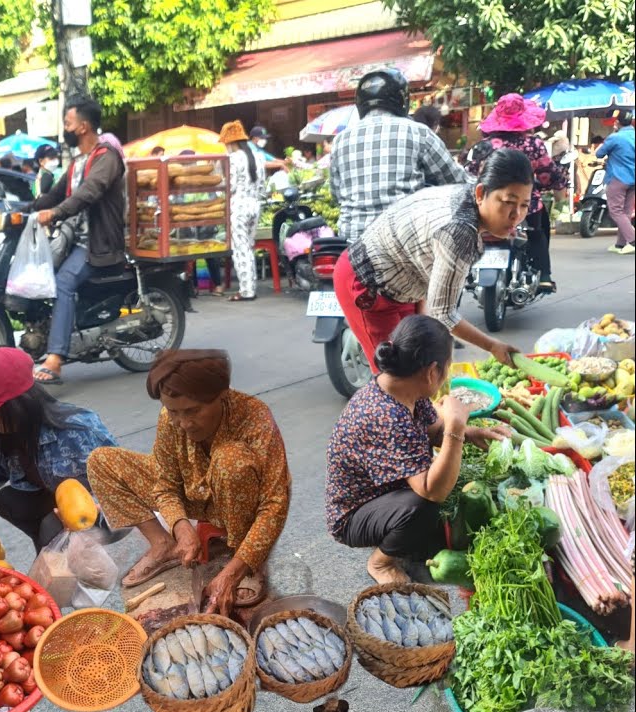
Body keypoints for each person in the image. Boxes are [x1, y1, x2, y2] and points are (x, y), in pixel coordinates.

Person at [88, 350, 292, 615]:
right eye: (173, 412)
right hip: (193, 489)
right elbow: (166, 484)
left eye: (193, 411)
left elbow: (274, 503)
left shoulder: (255, 418)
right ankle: (163, 545)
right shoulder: (170, 419)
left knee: (230, 462)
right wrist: (180, 526)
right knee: (101, 461)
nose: (183, 423)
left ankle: (246, 559)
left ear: (222, 396)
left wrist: (233, 572)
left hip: (238, 494)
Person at [326, 315, 509, 583]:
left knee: (431, 497)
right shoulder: (387, 415)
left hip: (385, 491)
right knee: (421, 506)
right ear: (432, 372)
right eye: (447, 369)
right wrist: (457, 425)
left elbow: (434, 430)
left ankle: (401, 534)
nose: (446, 376)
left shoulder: (404, 387)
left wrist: (470, 433)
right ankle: (380, 562)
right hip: (352, 515)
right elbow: (432, 491)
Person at [333, 148, 530, 373]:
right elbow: (443, 314)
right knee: (396, 377)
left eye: (524, 205)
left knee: (419, 366)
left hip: (405, 281)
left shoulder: (466, 198)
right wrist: (493, 346)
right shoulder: (459, 232)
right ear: (480, 193)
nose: (516, 215)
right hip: (367, 284)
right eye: (507, 202)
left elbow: (433, 285)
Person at [0, 348, 118, 553]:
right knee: (9, 501)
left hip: (91, 511)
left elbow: (118, 470)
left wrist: (103, 504)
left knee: (53, 534)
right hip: (50, 504)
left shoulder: (77, 427)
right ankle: (52, 548)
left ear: (19, 406)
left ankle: (65, 547)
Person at [30, 96, 127, 386]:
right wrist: (27, 209)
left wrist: (56, 213)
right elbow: (55, 195)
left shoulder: (106, 157)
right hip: (74, 240)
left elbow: (89, 193)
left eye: (68, 123)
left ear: (83, 127)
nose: (65, 129)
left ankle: (56, 359)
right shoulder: (76, 163)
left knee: (63, 282)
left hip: (98, 243)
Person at [330, 69, 469, 244]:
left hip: (352, 243)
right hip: (404, 244)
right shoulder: (418, 132)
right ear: (402, 99)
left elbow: (336, 195)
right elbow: (456, 181)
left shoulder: (340, 140)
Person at [463, 94, 568, 291]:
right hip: (525, 207)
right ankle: (544, 275)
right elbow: (547, 174)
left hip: (487, 204)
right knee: (538, 231)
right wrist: (559, 183)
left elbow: (467, 175)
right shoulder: (533, 145)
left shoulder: (482, 146)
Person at [220, 121, 268, 302]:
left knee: (240, 249)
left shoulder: (234, 158)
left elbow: (229, 186)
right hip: (255, 206)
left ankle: (247, 290)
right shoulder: (258, 157)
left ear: (231, 142)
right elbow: (263, 186)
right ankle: (250, 286)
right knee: (249, 247)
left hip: (238, 207)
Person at [596, 111, 635, 254]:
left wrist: (613, 133)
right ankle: (620, 244)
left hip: (618, 178)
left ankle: (633, 241)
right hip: (633, 179)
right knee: (625, 212)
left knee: (616, 211)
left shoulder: (615, 137)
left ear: (617, 122)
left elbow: (599, 153)